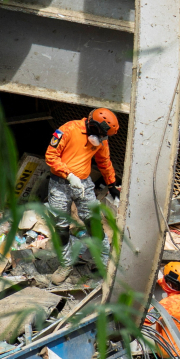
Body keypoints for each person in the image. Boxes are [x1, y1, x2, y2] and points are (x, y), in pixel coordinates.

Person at [45, 107, 120, 265]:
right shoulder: (68, 130)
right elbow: (51, 156)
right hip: (60, 184)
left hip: (84, 183)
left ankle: (105, 263)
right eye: (101, 134)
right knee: (61, 228)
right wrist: (69, 175)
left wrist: (111, 184)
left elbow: (104, 162)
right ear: (93, 125)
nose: (102, 138)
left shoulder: (101, 139)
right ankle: (65, 265)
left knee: (94, 222)